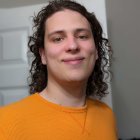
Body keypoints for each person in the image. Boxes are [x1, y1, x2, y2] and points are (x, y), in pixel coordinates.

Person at [0, 0, 118, 139]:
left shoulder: (107, 115)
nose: (73, 46)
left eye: (82, 36)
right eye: (58, 39)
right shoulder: (5, 122)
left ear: (96, 51)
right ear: (43, 55)